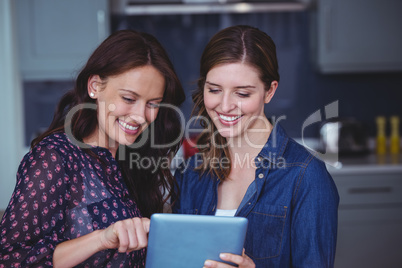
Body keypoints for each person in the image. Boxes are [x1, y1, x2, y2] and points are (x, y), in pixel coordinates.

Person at [0, 29, 185, 267]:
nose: (140, 116)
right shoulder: (55, 156)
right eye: (129, 99)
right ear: (95, 86)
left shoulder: (132, 159)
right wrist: (101, 238)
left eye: (152, 104)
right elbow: (10, 258)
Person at [172, 25, 339, 268]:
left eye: (242, 93)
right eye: (214, 90)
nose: (225, 106)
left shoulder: (306, 176)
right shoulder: (191, 173)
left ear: (269, 91)